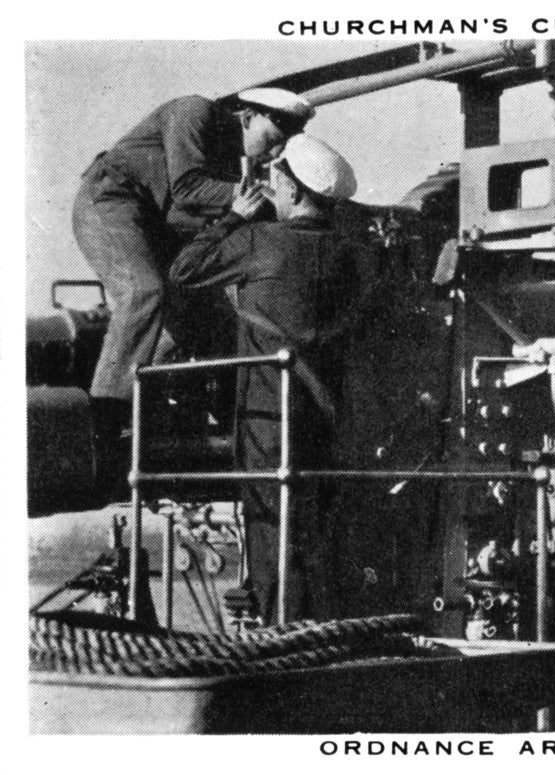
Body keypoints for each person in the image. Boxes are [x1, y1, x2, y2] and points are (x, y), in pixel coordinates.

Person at [73, 87, 316, 480]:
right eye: (273, 139)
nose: (274, 152)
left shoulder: (236, 162)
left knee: (214, 318)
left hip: (159, 228)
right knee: (143, 291)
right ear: (247, 116)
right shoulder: (194, 113)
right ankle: (105, 418)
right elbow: (188, 190)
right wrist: (266, 200)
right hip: (111, 201)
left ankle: (192, 418)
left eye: (282, 145)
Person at [169, 134, 361, 622]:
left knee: (272, 533)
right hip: (330, 423)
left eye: (277, 182)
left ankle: (280, 632)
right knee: (317, 538)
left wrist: (233, 215)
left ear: (293, 191)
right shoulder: (351, 255)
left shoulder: (259, 242)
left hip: (267, 420)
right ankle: (316, 631)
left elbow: (184, 271)